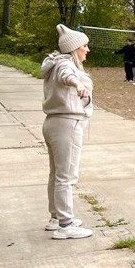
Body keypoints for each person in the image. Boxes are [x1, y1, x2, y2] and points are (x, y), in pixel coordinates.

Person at [42, 24, 94, 239]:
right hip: (66, 124)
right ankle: (66, 225)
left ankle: (56, 217)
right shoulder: (65, 65)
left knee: (56, 174)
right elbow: (67, 75)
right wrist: (77, 84)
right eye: (85, 46)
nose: (87, 50)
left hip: (53, 123)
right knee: (66, 176)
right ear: (74, 49)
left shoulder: (54, 63)